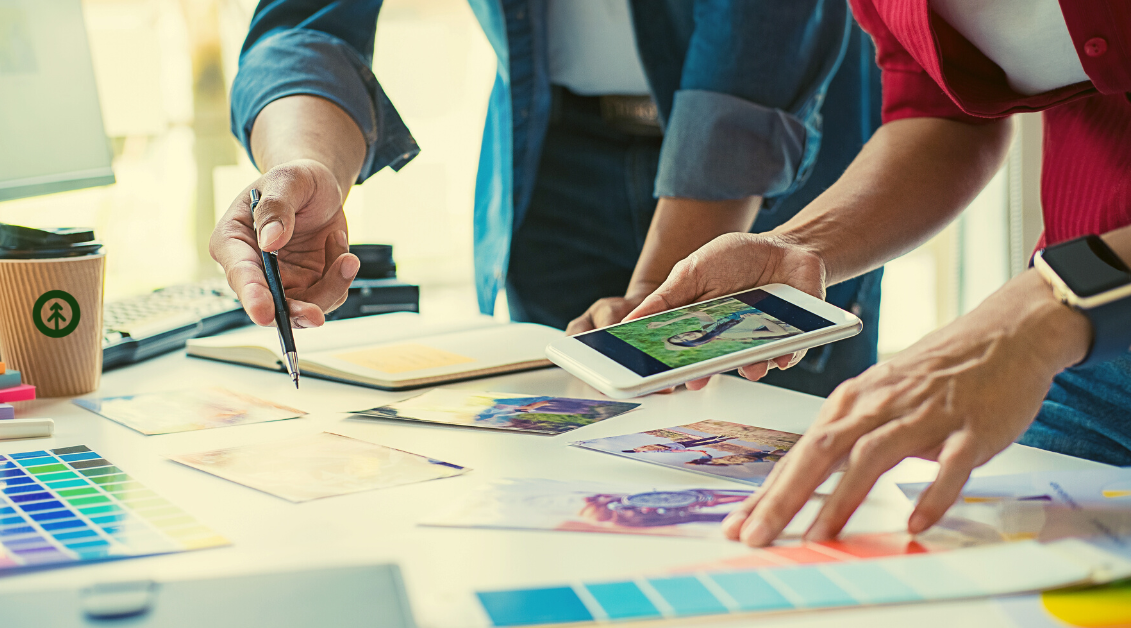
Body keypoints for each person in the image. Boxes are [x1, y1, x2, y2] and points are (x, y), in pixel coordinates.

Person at [621, 0, 1131, 546]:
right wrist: (797, 247)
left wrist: (1042, 313)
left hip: (1067, 319)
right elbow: (941, 115)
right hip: (1091, 357)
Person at [209, 0, 887, 399]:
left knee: (772, 486)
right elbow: (306, 22)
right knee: (560, 488)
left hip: (778, 164)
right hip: (551, 150)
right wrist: (305, 165)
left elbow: (760, 36)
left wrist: (654, 291)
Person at [646, 308, 800, 350]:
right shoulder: (729, 334)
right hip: (782, 313)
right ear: (695, 342)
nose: (687, 335)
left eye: (679, 336)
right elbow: (780, 332)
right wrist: (759, 319)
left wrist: (663, 323)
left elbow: (698, 313)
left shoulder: (708, 327)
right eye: (686, 340)